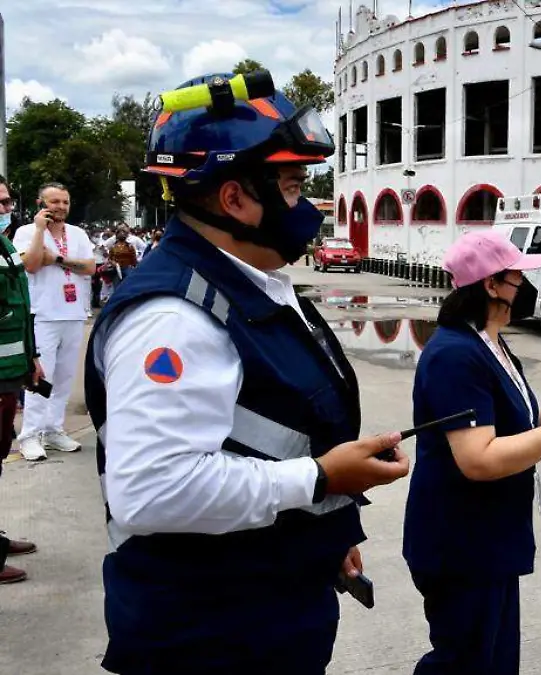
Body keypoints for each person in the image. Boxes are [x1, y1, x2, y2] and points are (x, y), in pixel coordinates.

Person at [83, 72, 412, 673]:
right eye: (291, 186)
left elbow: (265, 427)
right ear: (235, 198)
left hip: (266, 608)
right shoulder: (173, 317)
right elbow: (152, 493)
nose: (306, 204)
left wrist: (325, 537)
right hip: (207, 636)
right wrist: (317, 479)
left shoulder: (247, 285)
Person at [404, 230, 541, 673]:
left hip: (491, 538)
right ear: (490, 285)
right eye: (517, 279)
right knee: (464, 662)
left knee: (494, 659)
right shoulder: (454, 355)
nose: (526, 289)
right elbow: (480, 458)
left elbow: (511, 413)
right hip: (461, 544)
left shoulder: (489, 341)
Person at [12, 183, 95, 461]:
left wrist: (57, 258)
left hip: (73, 314)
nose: (60, 206)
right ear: (41, 204)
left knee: (64, 378)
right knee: (40, 378)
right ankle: (30, 436)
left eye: (65, 201)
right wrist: (38, 230)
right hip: (43, 314)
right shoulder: (26, 232)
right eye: (54, 201)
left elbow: (90, 267)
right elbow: (32, 264)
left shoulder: (78, 233)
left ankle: (53, 429)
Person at [0, 175, 41, 584]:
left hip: (10, 372)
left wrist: (33, 357)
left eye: (8, 201)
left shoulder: (6, 244)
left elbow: (17, 306)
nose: (5, 209)